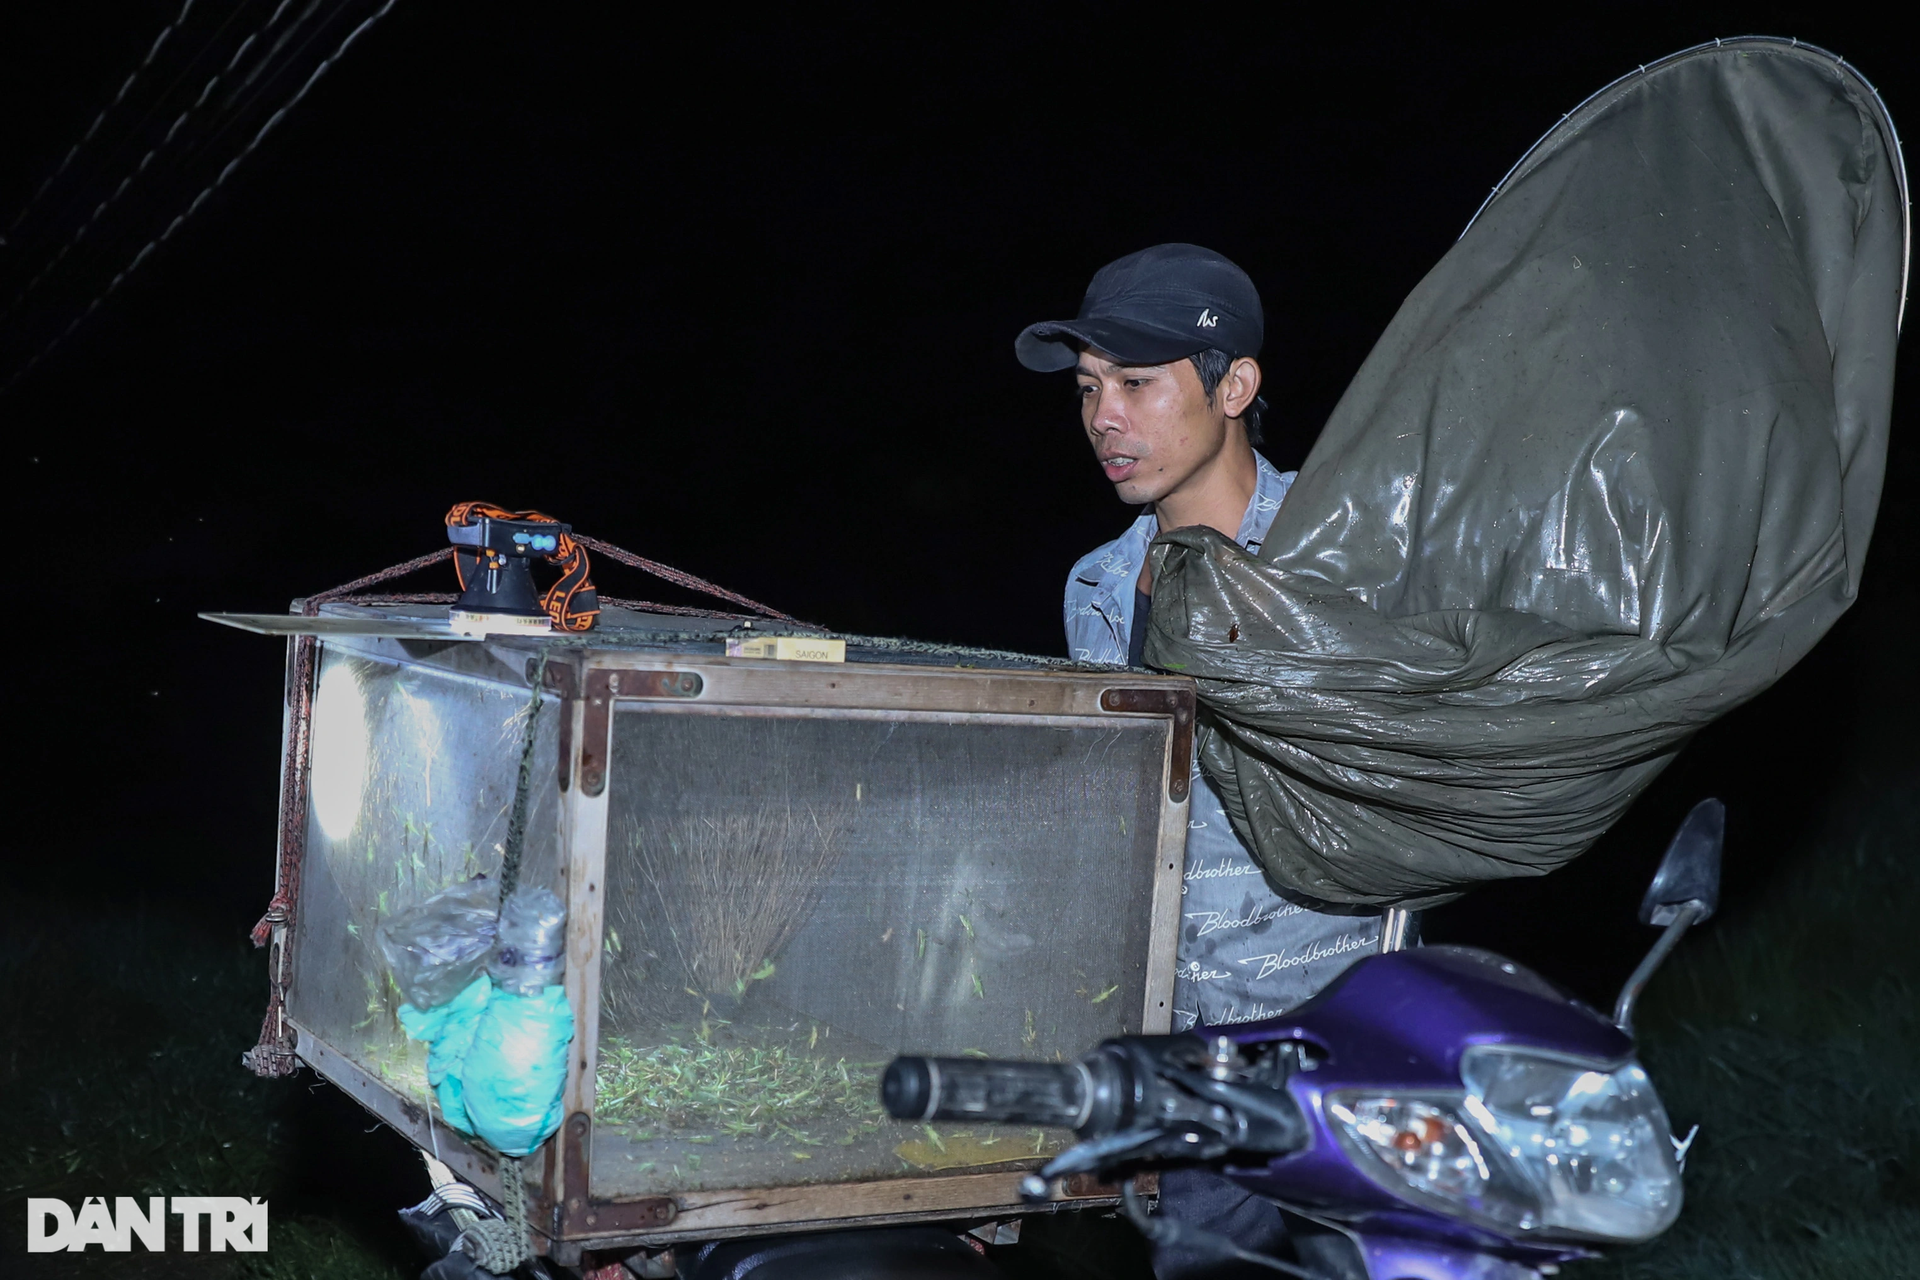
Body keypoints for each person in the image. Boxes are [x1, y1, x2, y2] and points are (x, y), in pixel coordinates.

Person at [1017, 243, 1388, 1276]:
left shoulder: (1338, 548)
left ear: (1234, 385)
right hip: (1183, 1059)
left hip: (1338, 1046)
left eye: (1137, 383)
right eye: (1090, 389)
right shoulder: (1098, 584)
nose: (1104, 417)